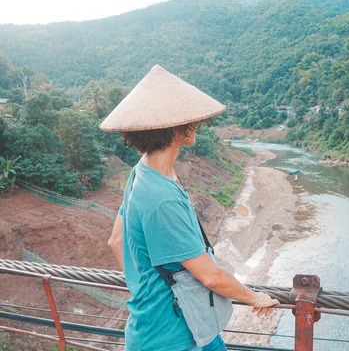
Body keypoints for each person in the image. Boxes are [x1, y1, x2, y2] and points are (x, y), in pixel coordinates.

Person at [102, 65, 279, 351]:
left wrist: (146, 286)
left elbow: (116, 241)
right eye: (190, 118)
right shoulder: (162, 197)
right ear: (173, 127)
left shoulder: (143, 173)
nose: (196, 123)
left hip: (171, 324)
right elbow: (209, 275)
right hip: (172, 337)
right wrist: (253, 297)